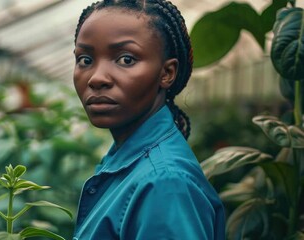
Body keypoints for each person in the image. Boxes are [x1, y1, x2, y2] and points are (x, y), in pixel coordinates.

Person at [72, 0, 225, 239]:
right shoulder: (131, 161)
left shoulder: (165, 185)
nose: (97, 78)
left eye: (126, 59)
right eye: (85, 60)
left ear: (166, 73)